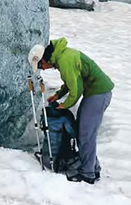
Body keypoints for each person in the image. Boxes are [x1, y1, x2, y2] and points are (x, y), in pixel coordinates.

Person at [29, 38, 114, 184]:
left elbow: (76, 89)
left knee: (86, 133)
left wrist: (65, 105)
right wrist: (58, 95)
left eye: (41, 66)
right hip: (95, 93)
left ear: (45, 58)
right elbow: (71, 82)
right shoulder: (62, 56)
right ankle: (94, 168)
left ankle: (88, 174)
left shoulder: (64, 60)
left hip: (99, 93)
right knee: (84, 131)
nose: (43, 69)